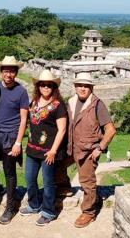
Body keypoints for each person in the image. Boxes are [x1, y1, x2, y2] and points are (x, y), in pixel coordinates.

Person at [66, 72, 116, 228]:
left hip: (88, 150)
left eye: (86, 86)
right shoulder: (71, 102)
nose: (82, 88)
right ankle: (64, 189)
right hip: (72, 147)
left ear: (91, 87)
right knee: (55, 165)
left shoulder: (97, 104)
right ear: (75, 87)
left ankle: (88, 212)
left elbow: (111, 130)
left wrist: (100, 148)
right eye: (80, 85)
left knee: (87, 182)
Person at [20, 70, 67, 226]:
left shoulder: (58, 106)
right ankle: (34, 205)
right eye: (43, 85)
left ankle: (48, 211)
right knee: (29, 179)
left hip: (49, 152)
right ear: (38, 86)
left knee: (48, 182)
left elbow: (62, 130)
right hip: (33, 149)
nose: (46, 88)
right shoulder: (33, 102)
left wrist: (53, 150)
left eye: (49, 85)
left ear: (54, 87)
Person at [0, 56, 29, 225]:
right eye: (6, 71)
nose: (9, 74)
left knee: (9, 172)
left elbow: (23, 118)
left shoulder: (21, 91)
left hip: (11, 136)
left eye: (12, 71)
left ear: (16, 73)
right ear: (1, 72)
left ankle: (10, 207)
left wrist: (18, 142)